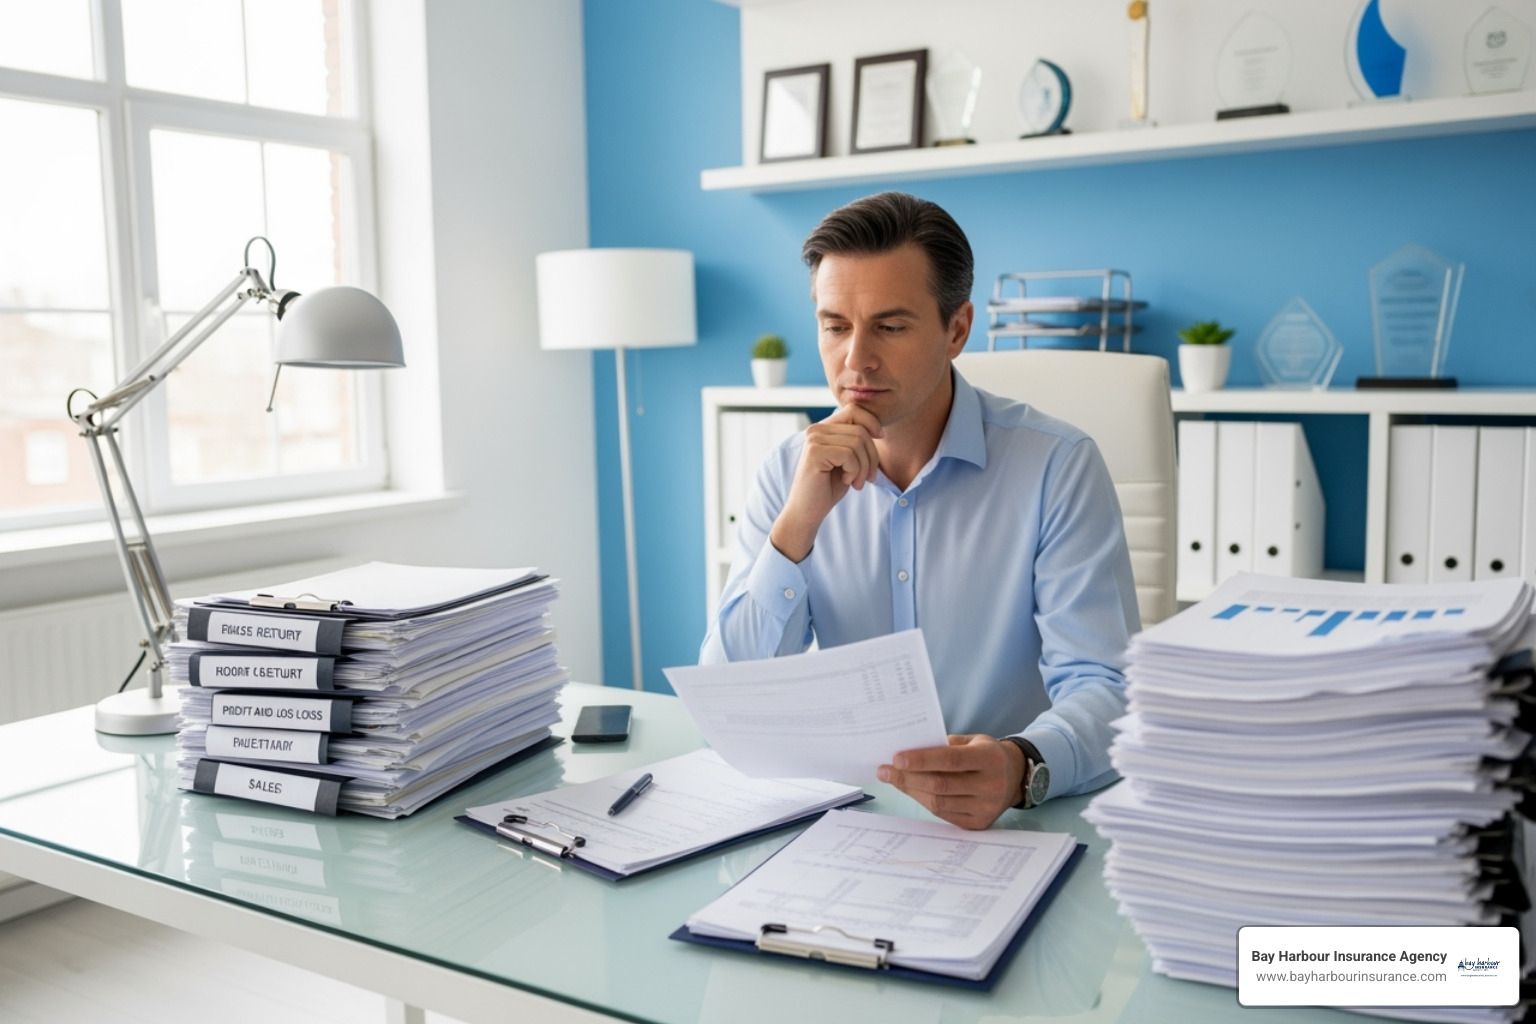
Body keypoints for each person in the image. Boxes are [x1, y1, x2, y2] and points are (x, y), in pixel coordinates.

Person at [699, 191, 1139, 831]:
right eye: (835, 326)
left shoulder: (1056, 466)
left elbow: (1108, 685)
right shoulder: (789, 476)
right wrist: (795, 531)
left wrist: (1023, 765)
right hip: (855, 825)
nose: (856, 360)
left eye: (891, 326)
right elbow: (729, 707)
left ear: (956, 329)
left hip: (1017, 825)